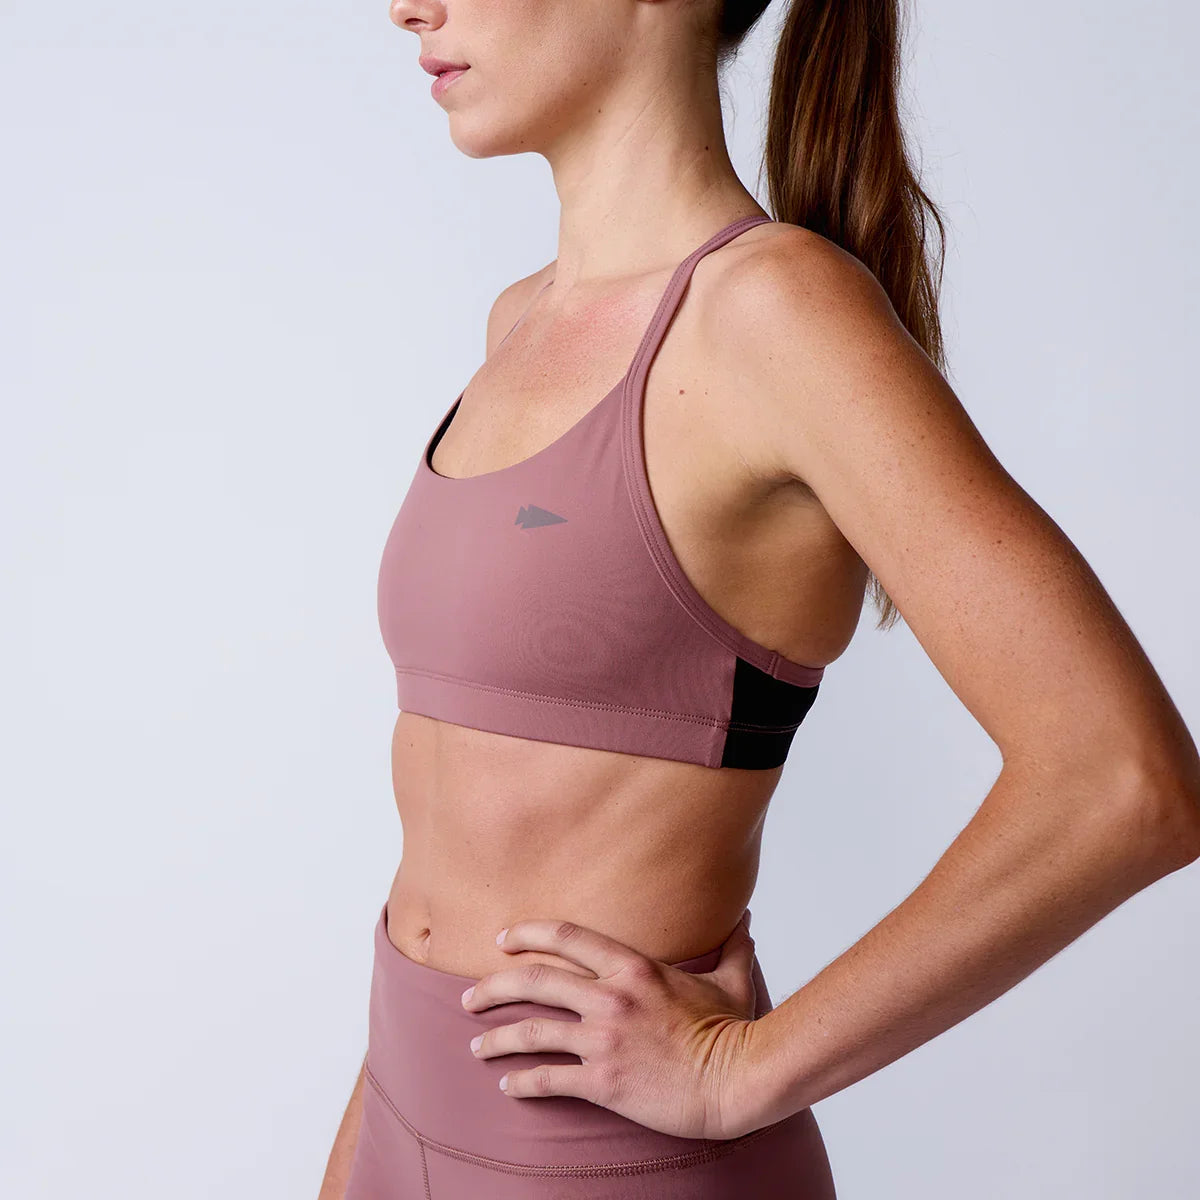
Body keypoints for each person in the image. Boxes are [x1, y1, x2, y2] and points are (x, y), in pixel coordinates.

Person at [319, 1, 1200, 1196]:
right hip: (394, 1118)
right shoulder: (518, 322)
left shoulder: (773, 312)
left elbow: (1124, 780)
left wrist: (740, 1072)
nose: (406, 4)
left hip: (606, 1160)